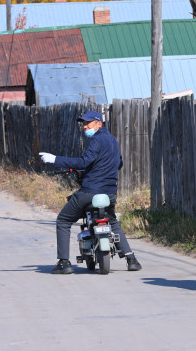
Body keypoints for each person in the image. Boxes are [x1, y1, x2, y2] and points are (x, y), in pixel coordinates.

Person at [39, 110, 142, 274]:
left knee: (64, 220)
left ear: (99, 124)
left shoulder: (97, 140)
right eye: (83, 123)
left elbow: (83, 162)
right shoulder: (113, 141)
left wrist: (56, 160)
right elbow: (119, 163)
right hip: (110, 194)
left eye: (88, 123)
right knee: (112, 221)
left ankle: (64, 263)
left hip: (91, 192)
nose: (84, 126)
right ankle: (131, 259)